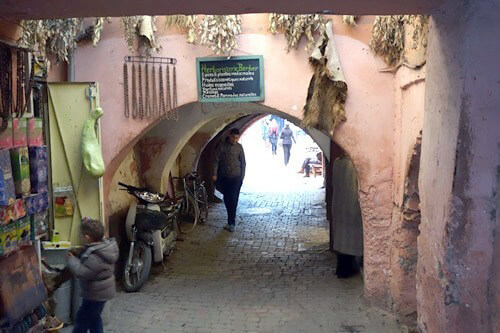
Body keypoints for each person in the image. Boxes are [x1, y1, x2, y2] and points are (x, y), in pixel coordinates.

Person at [67, 218, 119, 333]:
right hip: (101, 292)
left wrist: (71, 260)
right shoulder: (103, 247)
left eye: (82, 236)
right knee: (95, 319)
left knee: (82, 320)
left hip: (95, 294)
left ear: (87, 238)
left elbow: (81, 272)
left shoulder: (95, 257)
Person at [213, 128, 246, 232]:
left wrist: (242, 177)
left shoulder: (239, 147)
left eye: (237, 138)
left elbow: (243, 162)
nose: (234, 140)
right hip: (224, 177)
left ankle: (232, 222)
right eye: (233, 137)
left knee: (234, 199)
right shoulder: (222, 146)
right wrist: (214, 174)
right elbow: (216, 161)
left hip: (236, 177)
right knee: (227, 199)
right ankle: (229, 220)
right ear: (229, 135)